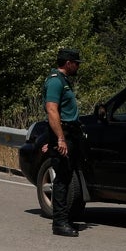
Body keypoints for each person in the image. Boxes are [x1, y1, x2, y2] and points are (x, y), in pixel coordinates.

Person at [44, 47, 84, 237]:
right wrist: (60, 138)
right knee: (61, 178)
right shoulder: (55, 81)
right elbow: (52, 110)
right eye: (76, 63)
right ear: (68, 63)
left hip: (70, 133)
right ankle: (59, 222)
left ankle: (65, 217)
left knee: (67, 177)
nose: (77, 66)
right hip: (64, 134)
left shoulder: (63, 81)